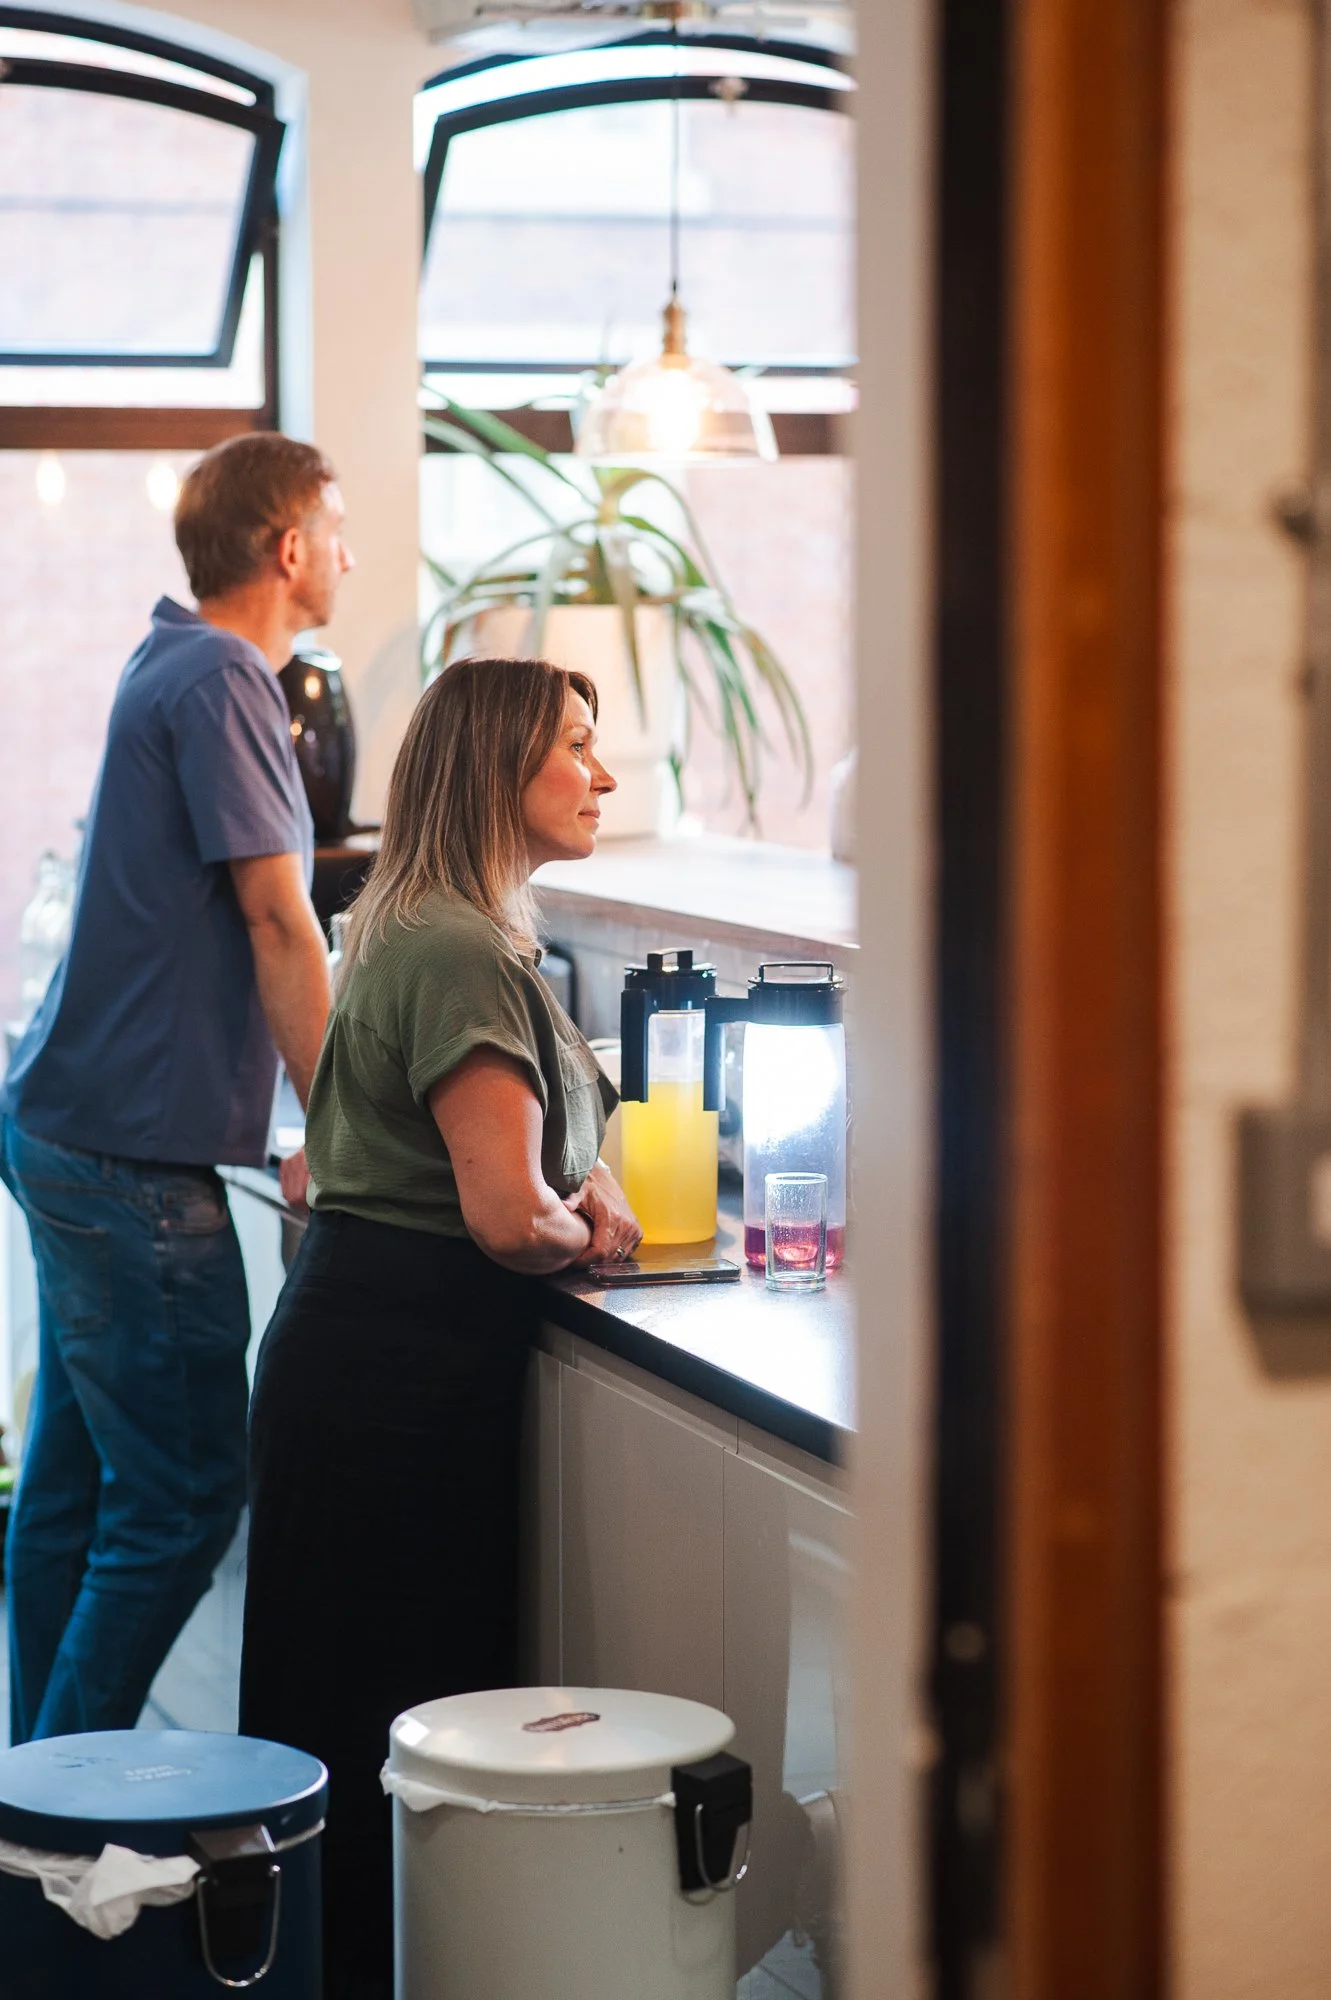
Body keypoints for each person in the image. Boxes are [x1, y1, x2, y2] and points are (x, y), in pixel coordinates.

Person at [239, 656, 641, 2000]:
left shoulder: (414, 922)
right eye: (576, 747)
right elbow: (502, 1218)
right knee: (393, 1723)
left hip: (357, 1344)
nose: (603, 774)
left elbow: (515, 1162)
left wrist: (572, 1182)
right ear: (497, 768)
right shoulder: (466, 949)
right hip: (402, 1374)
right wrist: (591, 1226)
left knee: (338, 1713)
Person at [1, 431, 352, 1744]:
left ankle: (36, 1800)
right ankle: (54, 1830)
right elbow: (276, 922)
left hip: (69, 1128)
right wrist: (342, 1127)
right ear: (288, 546)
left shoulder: (170, 658)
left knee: (80, 1504)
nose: (351, 552)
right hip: (125, 1165)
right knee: (189, 1498)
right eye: (340, 524)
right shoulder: (224, 679)